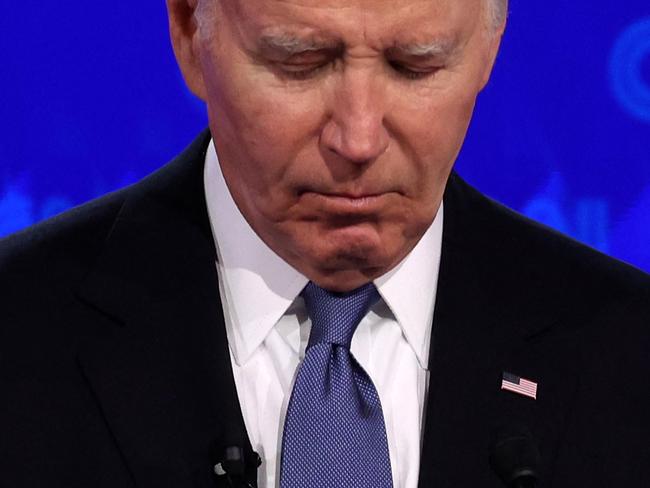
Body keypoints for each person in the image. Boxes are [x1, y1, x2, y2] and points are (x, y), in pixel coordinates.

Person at [1, 0, 649, 486]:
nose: (358, 139)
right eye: (299, 63)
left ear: (491, 41)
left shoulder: (628, 348)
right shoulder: (18, 328)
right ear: (187, 29)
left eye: (415, 65)